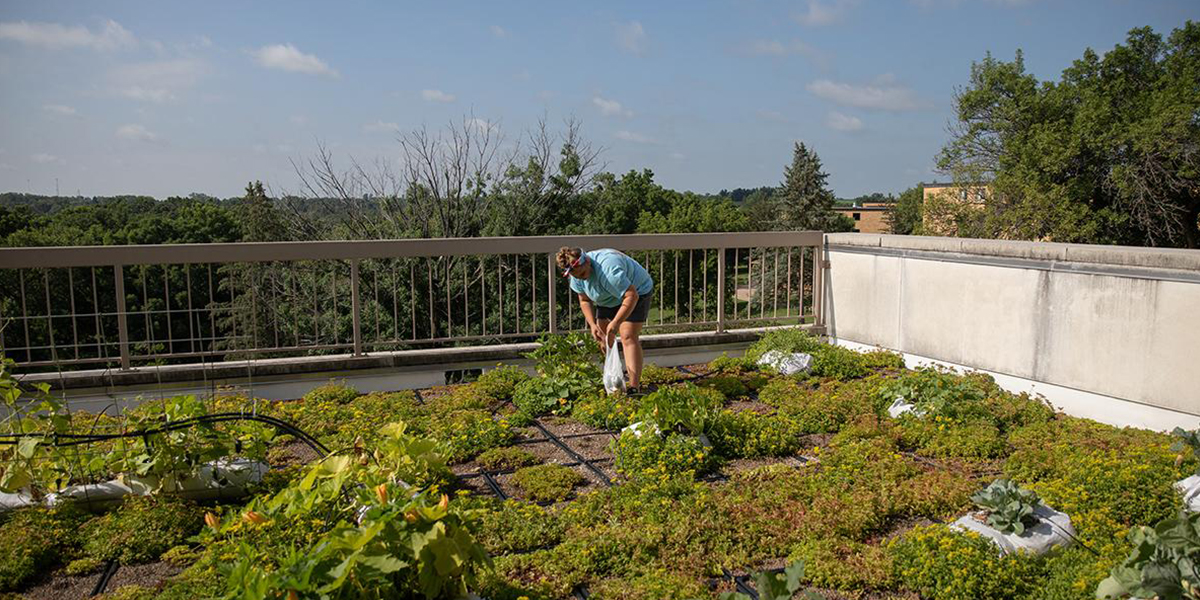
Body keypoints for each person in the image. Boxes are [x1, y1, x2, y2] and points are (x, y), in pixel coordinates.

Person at [556, 246, 654, 393]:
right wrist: (592, 324)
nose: (582, 278)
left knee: (628, 336)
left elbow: (631, 296)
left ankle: (634, 387)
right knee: (603, 338)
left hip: (636, 292)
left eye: (583, 273)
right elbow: (584, 300)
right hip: (606, 297)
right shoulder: (576, 275)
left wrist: (616, 323)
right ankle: (616, 380)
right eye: (577, 277)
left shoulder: (609, 270)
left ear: (587, 261)